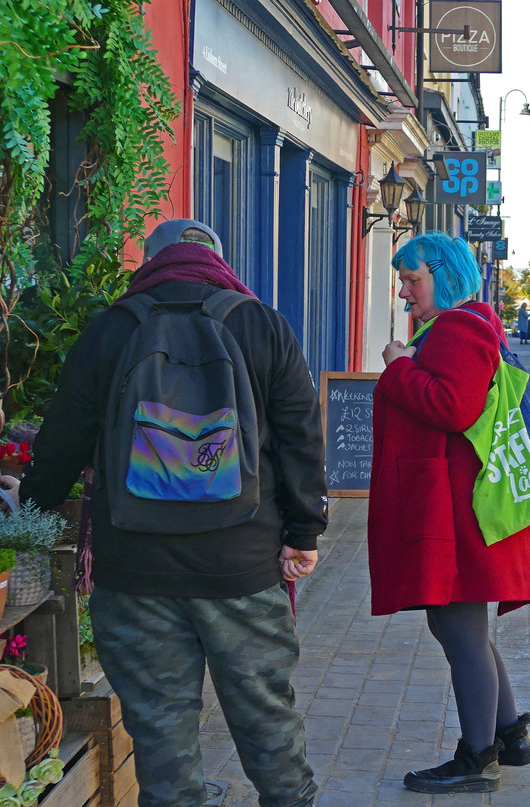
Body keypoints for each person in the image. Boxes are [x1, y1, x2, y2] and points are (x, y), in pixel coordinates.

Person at [6, 219, 327, 807]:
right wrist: (303, 532)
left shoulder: (111, 329)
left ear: (148, 263)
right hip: (242, 566)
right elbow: (302, 436)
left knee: (160, 733)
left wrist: (31, 505)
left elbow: (61, 443)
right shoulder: (261, 325)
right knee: (266, 717)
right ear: (220, 261)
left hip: (134, 572)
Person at [370, 232, 530, 794]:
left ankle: (477, 756)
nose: (405, 292)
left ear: (445, 276)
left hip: (462, 517)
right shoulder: (463, 326)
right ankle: (510, 734)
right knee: (462, 629)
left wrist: (398, 368)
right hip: (462, 510)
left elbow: (453, 408)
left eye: (414, 280)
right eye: (404, 281)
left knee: (458, 629)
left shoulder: (458, 329)